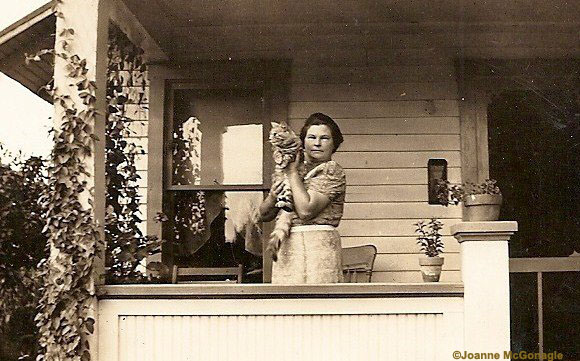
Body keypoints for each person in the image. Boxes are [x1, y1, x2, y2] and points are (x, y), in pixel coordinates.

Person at [259, 113, 346, 284]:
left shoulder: (331, 170)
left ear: (334, 144)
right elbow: (264, 215)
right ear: (303, 141)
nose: (317, 143)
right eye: (312, 137)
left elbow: (306, 210)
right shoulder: (293, 166)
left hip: (318, 245)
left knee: (318, 300)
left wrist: (291, 173)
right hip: (288, 246)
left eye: (325, 138)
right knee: (288, 304)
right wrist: (272, 196)